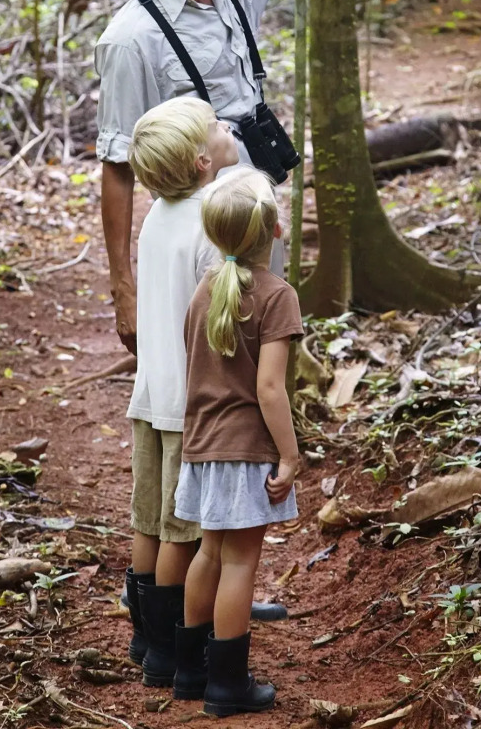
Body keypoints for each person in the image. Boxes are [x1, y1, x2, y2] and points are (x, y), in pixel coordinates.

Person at [95, 0, 467, 357]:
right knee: (212, 353)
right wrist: (123, 286)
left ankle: (269, 438)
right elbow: (117, 165)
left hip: (259, 192)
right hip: (196, 218)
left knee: (266, 336)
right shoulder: (131, 38)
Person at [171, 167, 304, 716]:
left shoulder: (206, 289)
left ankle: (190, 671)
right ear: (274, 230)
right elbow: (269, 388)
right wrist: (290, 455)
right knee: (241, 562)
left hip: (201, 446)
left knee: (209, 550)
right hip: (246, 449)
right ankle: (227, 685)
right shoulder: (277, 296)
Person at [122, 96, 239, 685]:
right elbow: (216, 322)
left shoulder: (156, 217)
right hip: (189, 406)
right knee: (180, 531)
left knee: (149, 521)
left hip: (150, 394)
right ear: (200, 162)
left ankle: (145, 639)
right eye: (217, 127)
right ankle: (173, 651)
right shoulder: (209, 224)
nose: (227, 128)